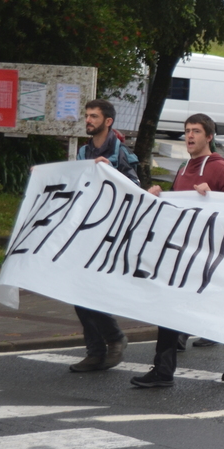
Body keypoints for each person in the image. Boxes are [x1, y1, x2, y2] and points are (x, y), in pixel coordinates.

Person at [131, 114, 224, 388]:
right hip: (182, 253)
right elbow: (178, 208)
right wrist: (159, 197)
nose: (190, 136)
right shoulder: (184, 168)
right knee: (168, 306)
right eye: (187, 131)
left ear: (209, 137)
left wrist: (214, 197)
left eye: (196, 131)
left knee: (215, 308)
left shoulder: (221, 168)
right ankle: (163, 371)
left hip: (209, 254)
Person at [69, 99, 137, 373]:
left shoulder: (121, 153)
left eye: (94, 116)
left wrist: (110, 171)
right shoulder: (83, 152)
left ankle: (113, 339)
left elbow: (136, 189)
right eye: (87, 115)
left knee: (89, 291)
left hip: (110, 233)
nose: (88, 120)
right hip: (86, 231)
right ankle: (96, 351)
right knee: (78, 291)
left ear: (108, 121)